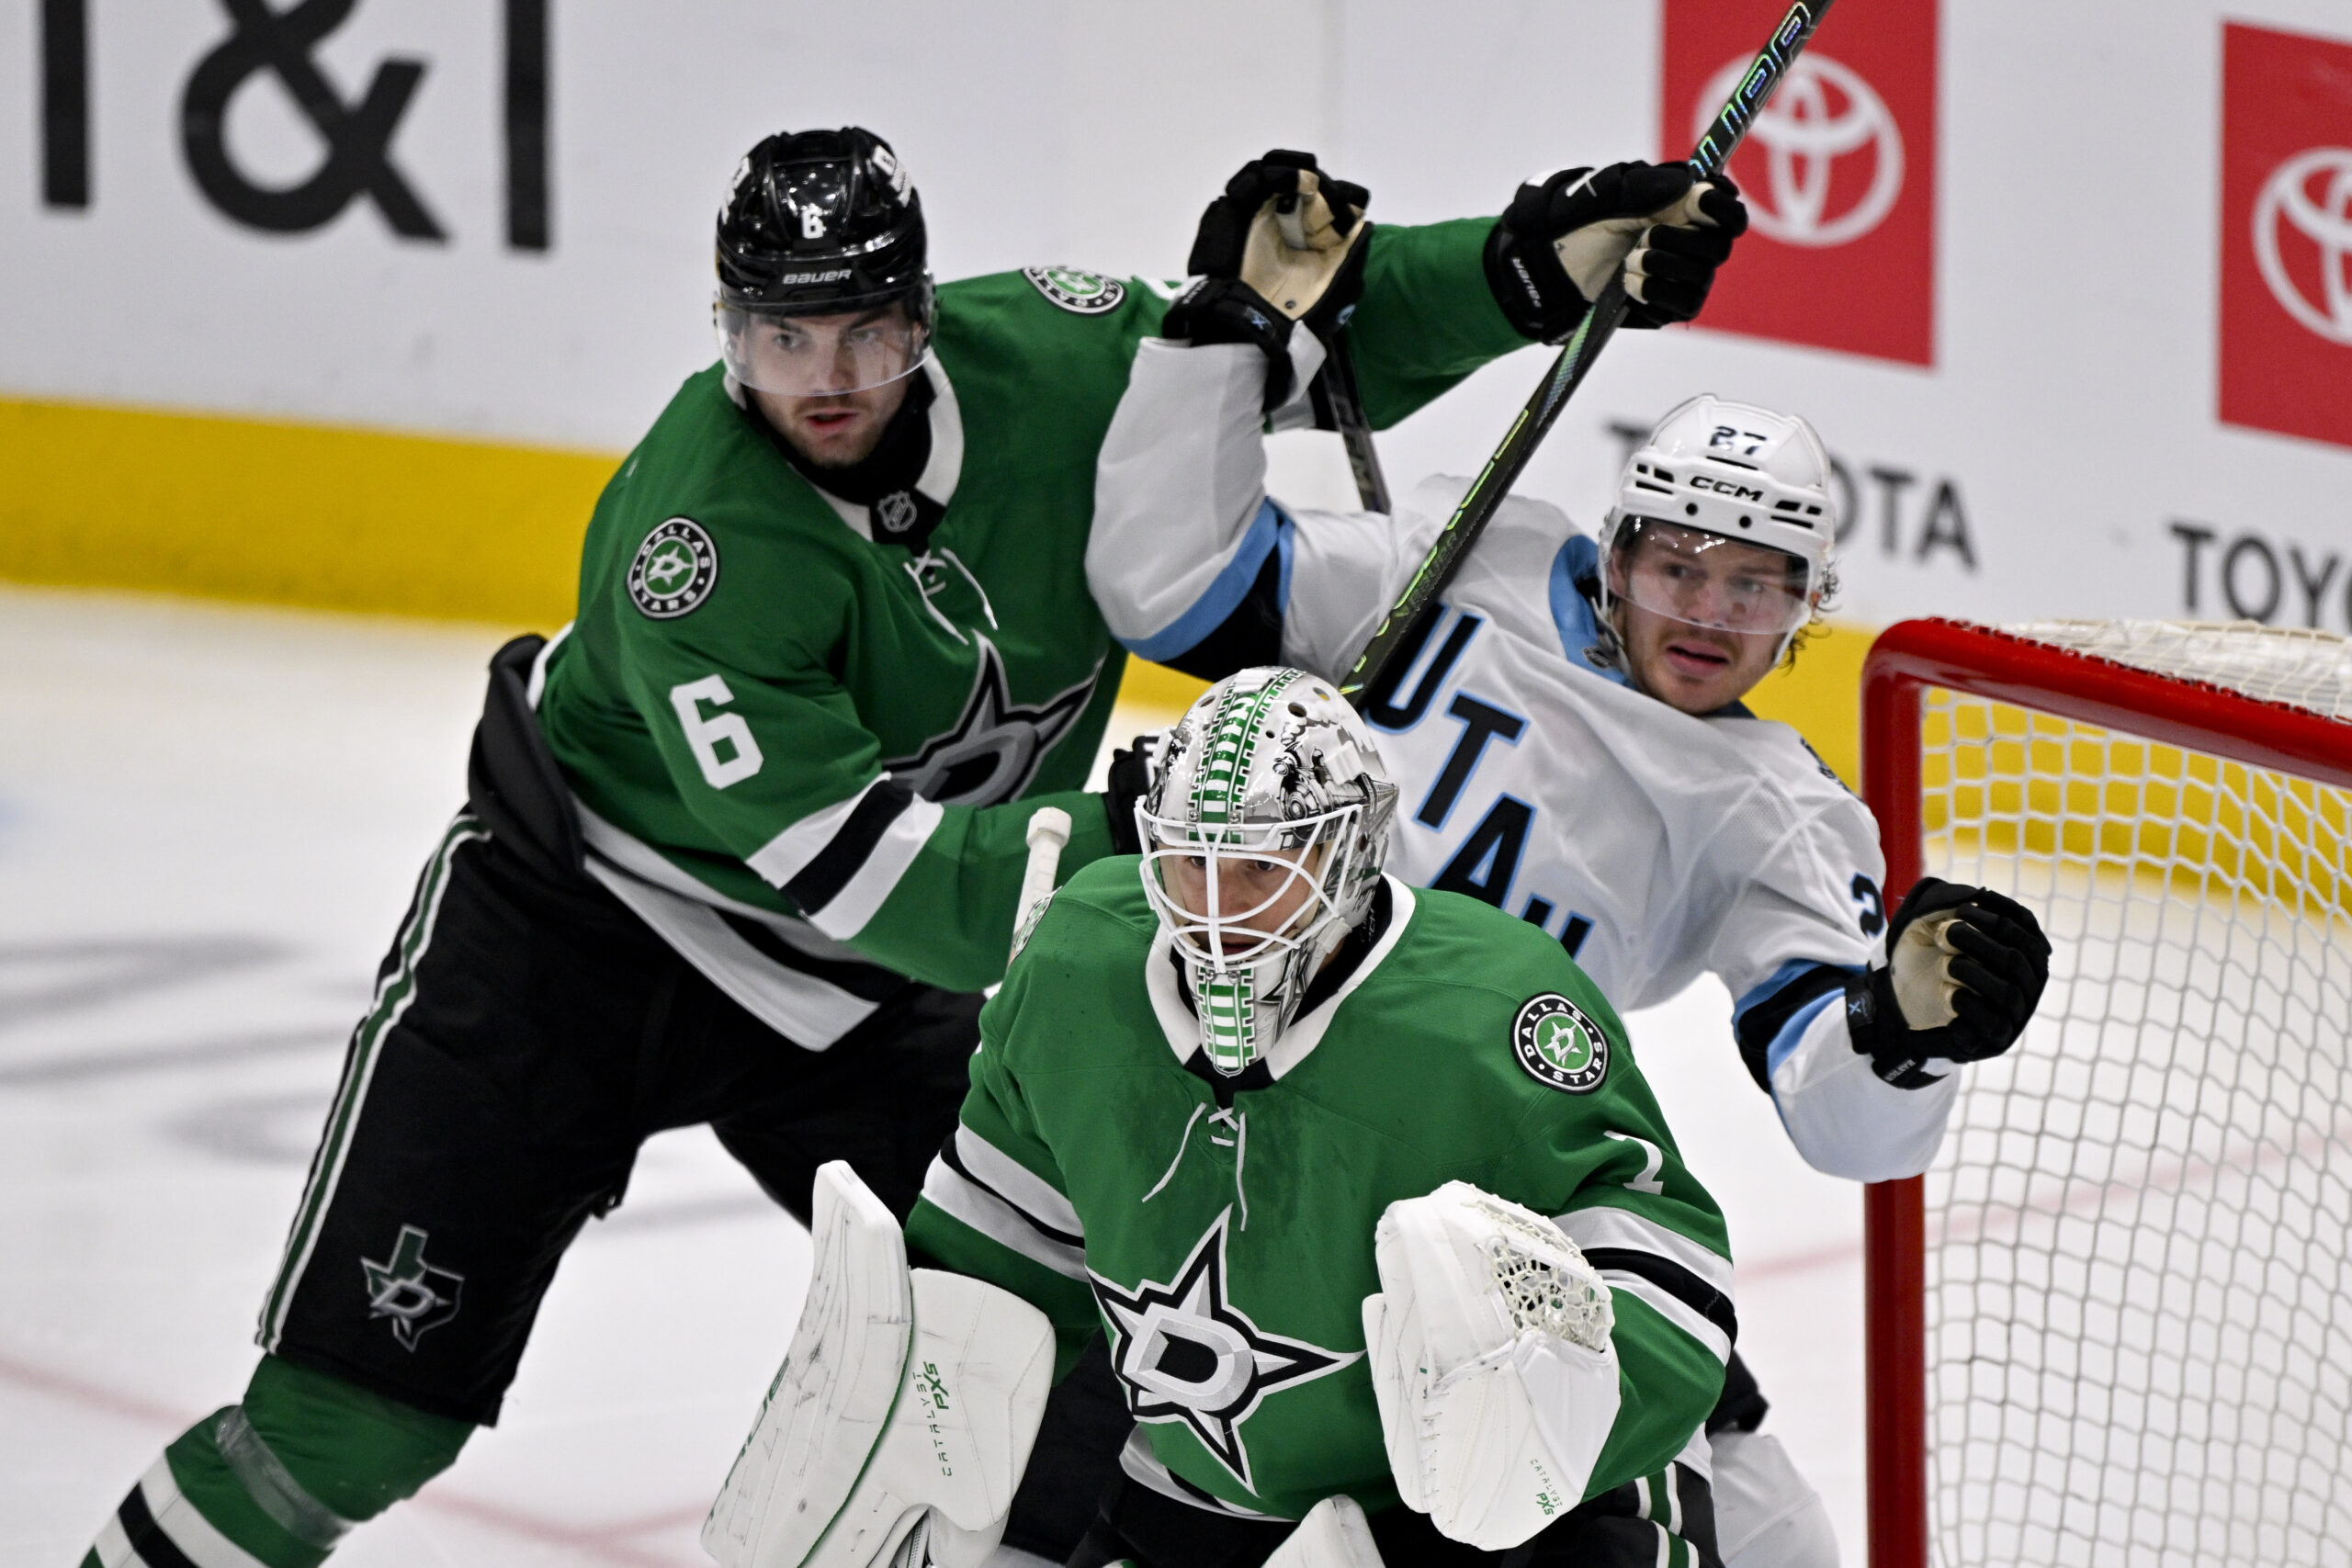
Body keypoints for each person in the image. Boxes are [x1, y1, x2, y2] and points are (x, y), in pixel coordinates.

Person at [78, 130, 1752, 1568]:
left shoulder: (1063, 363)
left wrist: (1538, 265)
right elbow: (886, 883)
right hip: (575, 936)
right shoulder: (692, 548)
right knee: (349, 1428)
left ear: (924, 318)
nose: (826, 379)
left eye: (864, 332)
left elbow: (1304, 345)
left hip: (871, 996)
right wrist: (1148, 833)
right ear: (728, 333)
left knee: (1120, 1369)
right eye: (783, 337)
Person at [1083, 299, 2052, 1563]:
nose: (1708, 614)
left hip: (1488, 1166)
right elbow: (1169, 590)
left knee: (1779, 1539)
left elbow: (1842, 1115)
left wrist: (1903, 1030)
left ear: (1811, 604)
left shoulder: (1776, 811)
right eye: (1679, 567)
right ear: (1615, 552)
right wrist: (1222, 336)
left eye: (1756, 587)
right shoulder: (1463, 560)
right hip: (1241, 1071)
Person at [707, 668, 1740, 1568]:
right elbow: (998, 1248)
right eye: (1187, 860)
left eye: (1257, 868)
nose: (1211, 908)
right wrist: (891, 1435)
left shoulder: (1496, 1013)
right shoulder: (1077, 965)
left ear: (1349, 858)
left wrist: (1545, 1430)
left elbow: (1668, 1258)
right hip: (1206, 1487)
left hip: (1510, 1515)